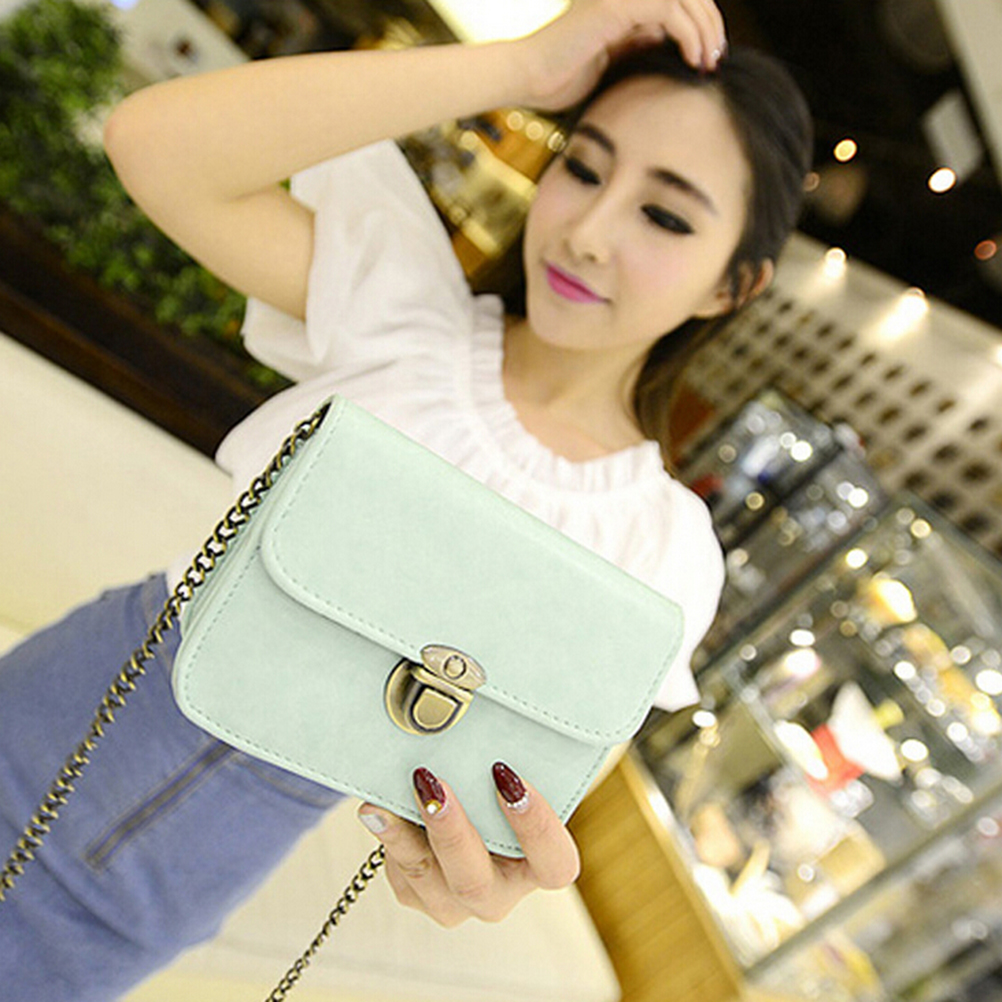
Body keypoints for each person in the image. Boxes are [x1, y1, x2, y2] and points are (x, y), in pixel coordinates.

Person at [0, 0, 813, 997]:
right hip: (70, 703)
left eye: (666, 215)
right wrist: (520, 67)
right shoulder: (408, 319)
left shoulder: (660, 551)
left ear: (732, 286)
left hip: (182, 874)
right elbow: (154, 143)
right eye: (584, 167)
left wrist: (491, 866)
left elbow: (530, 811)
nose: (589, 233)